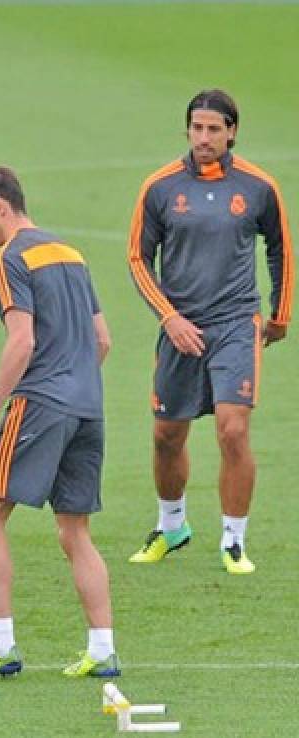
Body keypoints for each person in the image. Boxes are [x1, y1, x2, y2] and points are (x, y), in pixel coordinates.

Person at [0, 167, 118, 678]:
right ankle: (102, 650)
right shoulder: (70, 252)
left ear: (2, 208)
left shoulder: (8, 258)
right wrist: (73, 383)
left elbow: (21, 339)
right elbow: (103, 340)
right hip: (88, 406)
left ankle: (1, 645)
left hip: (41, 403)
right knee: (75, 530)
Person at [127, 89, 292, 575]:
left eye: (213, 129)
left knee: (233, 429)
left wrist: (279, 315)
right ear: (187, 131)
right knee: (166, 435)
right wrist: (169, 317)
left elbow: (281, 248)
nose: (204, 137)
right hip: (180, 328)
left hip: (236, 322)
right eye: (196, 128)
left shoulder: (258, 187)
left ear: (232, 132)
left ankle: (234, 540)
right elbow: (138, 258)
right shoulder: (160, 187)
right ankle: (172, 525)